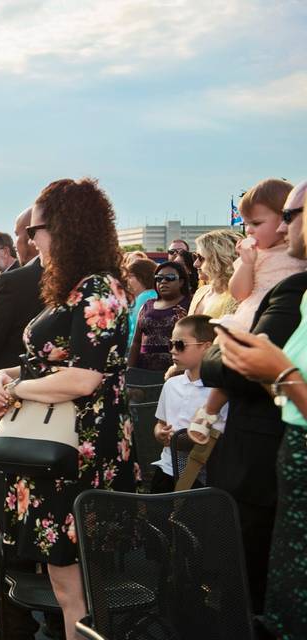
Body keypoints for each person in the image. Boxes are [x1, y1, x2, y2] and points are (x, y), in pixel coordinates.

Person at [0, 178, 138, 637]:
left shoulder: (98, 290)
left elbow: (83, 378)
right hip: (61, 446)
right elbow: (47, 363)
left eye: (38, 230)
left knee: (76, 588)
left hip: (82, 450)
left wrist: (16, 390)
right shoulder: (75, 288)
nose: (31, 240)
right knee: (67, 584)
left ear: (68, 228)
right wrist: (6, 376)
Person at [198, 180, 307, 622]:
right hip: (276, 466)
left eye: (292, 215)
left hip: (263, 467)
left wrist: (277, 374)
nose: (284, 227)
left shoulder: (293, 286)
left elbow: (229, 363)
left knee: (255, 590)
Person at [0, 207, 63, 640]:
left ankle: (15, 625)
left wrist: (5, 379)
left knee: (12, 528)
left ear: (28, 237)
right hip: (68, 427)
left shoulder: (14, 283)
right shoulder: (90, 285)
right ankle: (63, 620)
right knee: (62, 528)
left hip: (13, 417)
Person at [149, 315, 225, 493]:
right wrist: (160, 433)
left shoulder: (218, 392)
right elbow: (160, 423)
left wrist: (184, 440)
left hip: (204, 475)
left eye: (180, 345)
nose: (173, 351)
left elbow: (220, 435)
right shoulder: (171, 385)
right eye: (171, 344)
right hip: (167, 469)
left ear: (206, 347)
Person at [230, 178, 306, 330]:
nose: (249, 230)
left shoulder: (301, 252)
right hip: (253, 317)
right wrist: (247, 264)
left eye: (256, 223)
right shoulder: (254, 254)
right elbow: (238, 293)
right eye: (246, 224)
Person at [128, 261, 192, 371]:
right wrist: (130, 368)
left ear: (181, 281)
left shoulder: (189, 305)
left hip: (174, 371)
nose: (163, 282)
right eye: (158, 278)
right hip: (143, 370)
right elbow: (136, 342)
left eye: (170, 277)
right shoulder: (147, 305)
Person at [189, 230, 240, 317]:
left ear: (219, 260)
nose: (195, 264)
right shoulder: (201, 291)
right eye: (195, 256)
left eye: (200, 257)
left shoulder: (237, 296)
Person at [125, 258, 158, 350]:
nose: (127, 280)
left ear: (143, 276)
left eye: (131, 276)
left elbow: (134, 331)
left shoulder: (144, 297)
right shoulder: (152, 294)